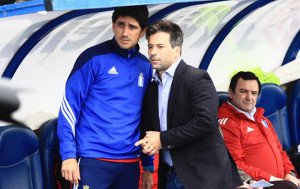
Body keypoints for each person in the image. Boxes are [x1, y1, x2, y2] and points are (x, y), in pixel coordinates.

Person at [135, 19, 243, 189]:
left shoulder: (197, 78)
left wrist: (162, 139)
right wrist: (147, 162)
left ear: (176, 50)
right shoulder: (152, 87)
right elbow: (148, 129)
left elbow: (205, 121)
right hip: (170, 174)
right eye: (150, 46)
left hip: (204, 176)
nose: (153, 52)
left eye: (160, 47)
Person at [57, 5, 154, 189]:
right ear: (113, 25)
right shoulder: (92, 57)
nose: (125, 32)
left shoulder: (145, 66)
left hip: (129, 164)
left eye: (132, 27)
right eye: (120, 24)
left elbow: (146, 118)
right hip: (92, 159)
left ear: (143, 31)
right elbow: (69, 108)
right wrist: (68, 155)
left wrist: (147, 164)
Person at [218, 71, 300, 189]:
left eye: (254, 93)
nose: (249, 97)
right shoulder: (228, 123)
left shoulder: (263, 120)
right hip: (257, 184)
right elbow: (236, 164)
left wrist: (290, 173)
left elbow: (280, 152)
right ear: (231, 92)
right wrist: (272, 178)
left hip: (282, 180)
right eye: (243, 91)